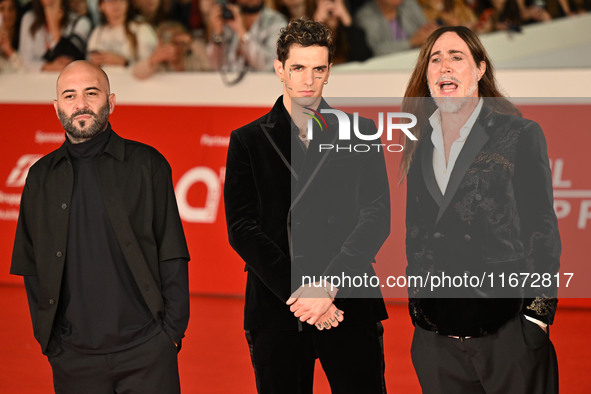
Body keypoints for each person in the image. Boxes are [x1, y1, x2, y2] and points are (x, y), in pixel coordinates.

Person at [224, 17, 390, 393]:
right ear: (279, 68)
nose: (308, 80)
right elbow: (242, 229)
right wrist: (303, 292)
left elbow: (376, 218)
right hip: (278, 306)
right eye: (298, 68)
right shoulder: (248, 140)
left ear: (330, 71)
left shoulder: (360, 133)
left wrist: (328, 287)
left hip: (347, 302)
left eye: (318, 69)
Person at [10, 60, 190, 394]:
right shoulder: (40, 178)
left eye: (91, 93)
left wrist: (170, 335)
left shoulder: (147, 164)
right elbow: (31, 265)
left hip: (147, 352)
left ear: (111, 101)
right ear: (56, 107)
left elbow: (172, 253)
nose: (80, 103)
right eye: (69, 95)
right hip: (73, 359)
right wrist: (49, 340)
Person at [400, 26, 560, 393]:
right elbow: (417, 232)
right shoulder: (420, 141)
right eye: (435, 60)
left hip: (507, 331)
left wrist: (537, 315)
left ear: (480, 69)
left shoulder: (519, 133)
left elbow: (541, 228)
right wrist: (418, 311)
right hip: (437, 336)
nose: (444, 67)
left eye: (457, 57)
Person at [206, 0, 287, 72]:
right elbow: (215, 66)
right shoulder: (226, 20)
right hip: (227, 87)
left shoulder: (276, 22)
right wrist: (217, 35)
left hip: (262, 86)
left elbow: (268, 65)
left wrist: (242, 33)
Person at [19, 0, 92, 71]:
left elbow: (70, 59)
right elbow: (26, 60)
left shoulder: (80, 22)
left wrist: (54, 27)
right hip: (36, 80)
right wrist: (49, 67)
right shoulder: (29, 19)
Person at [86, 0, 157, 72]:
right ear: (101, 6)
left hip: (131, 81)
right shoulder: (97, 32)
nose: (115, 4)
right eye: (110, 1)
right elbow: (89, 62)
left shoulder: (141, 28)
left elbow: (154, 64)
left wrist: (125, 63)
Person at [354, 0, 437, 57]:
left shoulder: (408, 4)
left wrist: (433, 33)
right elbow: (377, 50)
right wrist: (411, 42)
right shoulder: (365, 15)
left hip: (417, 60)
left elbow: (427, 29)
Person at [0, 0, 23, 71]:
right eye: (2, 9)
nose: (7, 14)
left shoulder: (24, 35)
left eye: (11, 9)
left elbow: (26, 70)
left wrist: (9, 51)